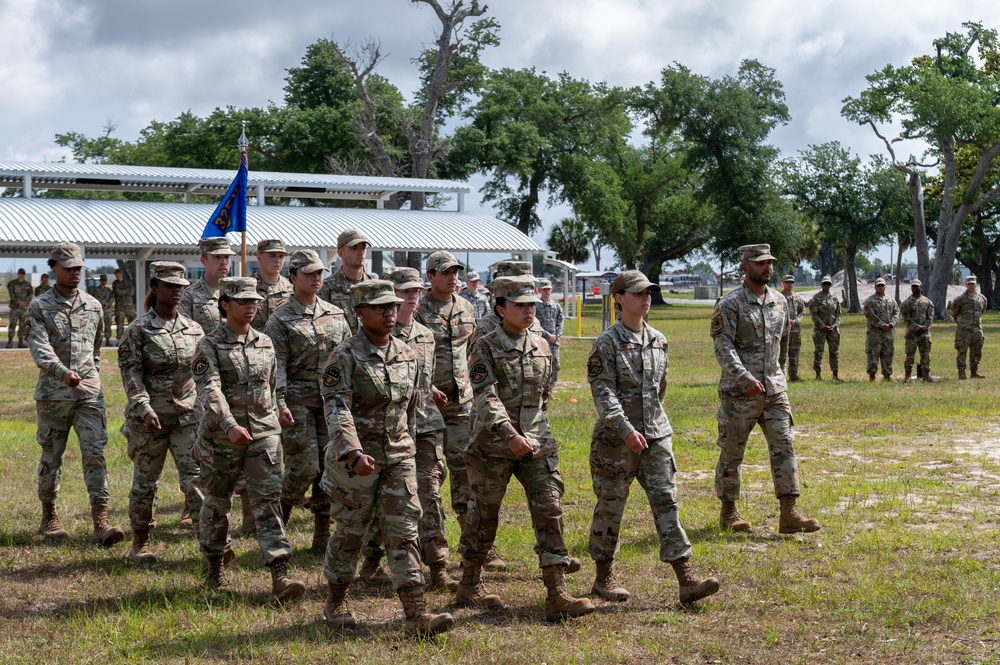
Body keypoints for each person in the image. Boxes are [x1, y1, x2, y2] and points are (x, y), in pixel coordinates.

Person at [319, 280, 454, 636]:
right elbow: (336, 408)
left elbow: (412, 409)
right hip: (356, 462)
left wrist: (411, 446)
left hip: (398, 456)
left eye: (392, 306)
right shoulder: (343, 357)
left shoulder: (407, 354)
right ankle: (336, 599)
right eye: (380, 307)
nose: (389, 312)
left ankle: (416, 614)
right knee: (351, 531)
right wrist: (352, 451)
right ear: (359, 312)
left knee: (404, 531)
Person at [457, 275, 595, 622]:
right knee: (484, 515)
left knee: (549, 508)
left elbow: (544, 395)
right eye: (519, 305)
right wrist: (508, 433)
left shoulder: (543, 345)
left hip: (536, 442)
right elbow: (485, 397)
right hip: (492, 445)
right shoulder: (484, 345)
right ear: (501, 308)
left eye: (532, 304)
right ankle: (470, 582)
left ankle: (557, 592)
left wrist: (532, 434)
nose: (528, 310)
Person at [587, 270, 720, 605]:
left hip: (656, 437)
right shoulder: (607, 343)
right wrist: (625, 427)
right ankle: (604, 577)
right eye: (637, 292)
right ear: (618, 298)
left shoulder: (659, 339)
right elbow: (603, 392)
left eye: (649, 292)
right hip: (617, 441)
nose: (645, 297)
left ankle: (686, 579)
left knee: (667, 503)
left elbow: (660, 389)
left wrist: (650, 426)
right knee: (610, 507)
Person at [192, 276, 306, 602]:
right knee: (217, 503)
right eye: (243, 300)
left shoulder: (266, 342)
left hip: (263, 434)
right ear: (225, 304)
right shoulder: (209, 345)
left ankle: (280, 576)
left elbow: (272, 385)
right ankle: (214, 567)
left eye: (254, 300)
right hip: (221, 437)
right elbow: (209, 388)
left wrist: (279, 410)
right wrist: (228, 424)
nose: (251, 305)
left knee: (268, 503)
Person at [710, 244, 820, 535]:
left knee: (784, 446)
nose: (767, 268)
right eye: (760, 263)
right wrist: (744, 377)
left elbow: (780, 344)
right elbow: (723, 347)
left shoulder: (779, 302)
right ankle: (729, 513)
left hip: (774, 391)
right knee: (732, 453)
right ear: (745, 267)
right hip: (739, 394)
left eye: (769, 262)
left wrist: (776, 377)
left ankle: (789, 513)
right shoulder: (730, 304)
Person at [27, 242, 124, 546]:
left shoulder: (94, 305)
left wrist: (89, 376)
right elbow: (39, 347)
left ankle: (101, 521)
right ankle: (50, 516)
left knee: (95, 452)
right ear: (53, 268)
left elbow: (96, 348)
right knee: (51, 457)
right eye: (68, 268)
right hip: (54, 396)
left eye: (78, 268)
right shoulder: (40, 306)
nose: (75, 273)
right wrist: (61, 372)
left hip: (88, 395)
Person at [118, 262, 205, 563]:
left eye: (180, 286)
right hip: (150, 420)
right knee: (146, 481)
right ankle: (140, 541)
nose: (177, 291)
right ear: (155, 288)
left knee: (195, 477)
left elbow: (204, 373)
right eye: (170, 285)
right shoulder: (138, 330)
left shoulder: (194, 329)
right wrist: (143, 407)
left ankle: (209, 541)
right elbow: (131, 373)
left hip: (188, 417)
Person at [265, 250, 350, 553]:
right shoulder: (280, 319)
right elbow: (276, 366)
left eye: (320, 273)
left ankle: (321, 537)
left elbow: (347, 359)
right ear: (293, 277)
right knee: (304, 467)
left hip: (331, 404)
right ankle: (277, 525)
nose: (317, 278)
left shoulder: (336, 314)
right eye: (309, 273)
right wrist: (280, 403)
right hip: (297, 402)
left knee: (329, 469)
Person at [386, 267, 458, 591]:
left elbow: (422, 380)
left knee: (429, 492)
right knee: (391, 498)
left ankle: (438, 565)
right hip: (391, 428)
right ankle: (376, 559)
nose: (412, 297)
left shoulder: (426, 335)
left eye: (416, 291)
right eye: (405, 291)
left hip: (426, 424)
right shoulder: (381, 335)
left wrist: (430, 391)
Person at [414, 251, 480, 567]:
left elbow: (473, 349)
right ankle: (426, 542)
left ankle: (474, 544)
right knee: (430, 475)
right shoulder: (417, 310)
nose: (453, 277)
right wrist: (426, 387)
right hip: (427, 404)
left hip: (462, 402)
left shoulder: (467, 307)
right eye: (445, 272)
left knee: (465, 471)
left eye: (455, 272)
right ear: (430, 277)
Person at [180, 238, 251, 533]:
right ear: (203, 260)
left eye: (228, 257)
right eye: (218, 257)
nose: (224, 262)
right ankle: (193, 506)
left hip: (241, 379)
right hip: (205, 379)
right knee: (203, 445)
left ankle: (249, 513)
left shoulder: (241, 292)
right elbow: (181, 336)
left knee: (249, 441)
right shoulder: (191, 296)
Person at [318, 228, 379, 334]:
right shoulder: (327, 288)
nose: (360, 252)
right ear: (340, 253)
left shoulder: (375, 286)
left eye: (363, 248)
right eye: (354, 248)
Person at [950, 275, 987, 380]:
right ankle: (961, 373)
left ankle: (974, 372)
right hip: (964, 330)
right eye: (969, 284)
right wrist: (963, 321)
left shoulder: (982, 298)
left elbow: (982, 310)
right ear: (966, 285)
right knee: (962, 351)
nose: (971, 286)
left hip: (977, 330)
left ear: (976, 284)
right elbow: (954, 312)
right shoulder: (960, 299)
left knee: (976, 352)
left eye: (973, 284)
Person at [862, 278, 899, 381]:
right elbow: (870, 315)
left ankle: (887, 375)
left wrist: (891, 325)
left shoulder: (891, 301)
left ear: (885, 287)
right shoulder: (869, 301)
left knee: (888, 354)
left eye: (882, 285)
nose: (880, 287)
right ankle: (872, 376)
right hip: (875, 333)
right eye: (878, 286)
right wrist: (882, 325)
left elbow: (896, 313)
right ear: (875, 287)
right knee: (873, 354)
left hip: (888, 333)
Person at [251, 239, 293, 330]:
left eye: (281, 256)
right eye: (272, 256)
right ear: (259, 258)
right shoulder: (247, 287)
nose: (277, 260)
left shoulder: (293, 289)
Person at [808, 275, 842, 382]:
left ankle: (835, 374)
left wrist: (835, 325)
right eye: (824, 284)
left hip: (833, 330)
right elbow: (814, 315)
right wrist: (823, 326)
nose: (826, 286)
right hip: (820, 330)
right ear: (821, 285)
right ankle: (818, 375)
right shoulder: (816, 298)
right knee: (819, 351)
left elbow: (839, 314)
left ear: (831, 285)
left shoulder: (834, 298)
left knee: (834, 352)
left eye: (828, 284)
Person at [900, 279, 934, 382]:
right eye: (913, 286)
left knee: (925, 355)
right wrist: (916, 327)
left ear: (921, 287)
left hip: (925, 334)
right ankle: (907, 375)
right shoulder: (906, 302)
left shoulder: (927, 302)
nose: (915, 288)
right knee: (910, 355)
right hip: (912, 334)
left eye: (917, 286)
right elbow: (906, 318)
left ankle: (926, 375)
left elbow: (930, 316)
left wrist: (925, 327)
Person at [535, 278, 564, 391]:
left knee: (555, 365)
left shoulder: (556, 306)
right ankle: (541, 387)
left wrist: (555, 336)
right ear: (540, 291)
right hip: (540, 341)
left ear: (551, 290)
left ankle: (550, 388)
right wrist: (547, 336)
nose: (547, 291)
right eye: (544, 289)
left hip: (554, 341)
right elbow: (535, 324)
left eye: (548, 289)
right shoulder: (536, 306)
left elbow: (560, 322)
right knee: (541, 365)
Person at [778, 275, 805, 382]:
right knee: (782, 355)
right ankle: (781, 377)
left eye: (791, 282)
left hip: (795, 331)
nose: (789, 284)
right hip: (783, 331)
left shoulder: (797, 298)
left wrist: (797, 321)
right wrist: (788, 321)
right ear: (783, 283)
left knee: (795, 353)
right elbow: (776, 312)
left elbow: (802, 311)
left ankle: (794, 376)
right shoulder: (778, 297)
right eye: (787, 282)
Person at [7, 268, 33, 348]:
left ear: (24, 275)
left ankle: (20, 342)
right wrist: (18, 302)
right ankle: (10, 342)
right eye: (20, 273)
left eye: (23, 274)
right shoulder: (12, 284)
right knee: (12, 324)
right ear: (18, 274)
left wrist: (25, 302)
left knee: (23, 325)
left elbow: (30, 295)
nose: (21, 275)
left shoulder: (28, 285)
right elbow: (11, 294)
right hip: (15, 308)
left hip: (24, 309)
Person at [112, 268, 136, 341]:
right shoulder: (115, 283)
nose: (118, 277)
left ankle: (132, 339)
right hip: (120, 307)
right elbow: (118, 292)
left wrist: (123, 292)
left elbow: (132, 292)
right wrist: (127, 291)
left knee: (132, 323)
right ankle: (120, 341)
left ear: (121, 274)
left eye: (119, 275)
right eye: (116, 276)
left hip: (129, 306)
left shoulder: (128, 282)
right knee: (119, 324)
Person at [94, 274, 115, 347]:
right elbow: (95, 298)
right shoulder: (96, 290)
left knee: (108, 325)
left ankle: (108, 341)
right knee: (98, 326)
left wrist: (108, 304)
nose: (104, 281)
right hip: (99, 310)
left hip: (107, 310)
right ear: (100, 280)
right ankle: (97, 341)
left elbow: (112, 298)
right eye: (103, 280)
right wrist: (103, 303)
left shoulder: (108, 290)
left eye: (105, 280)